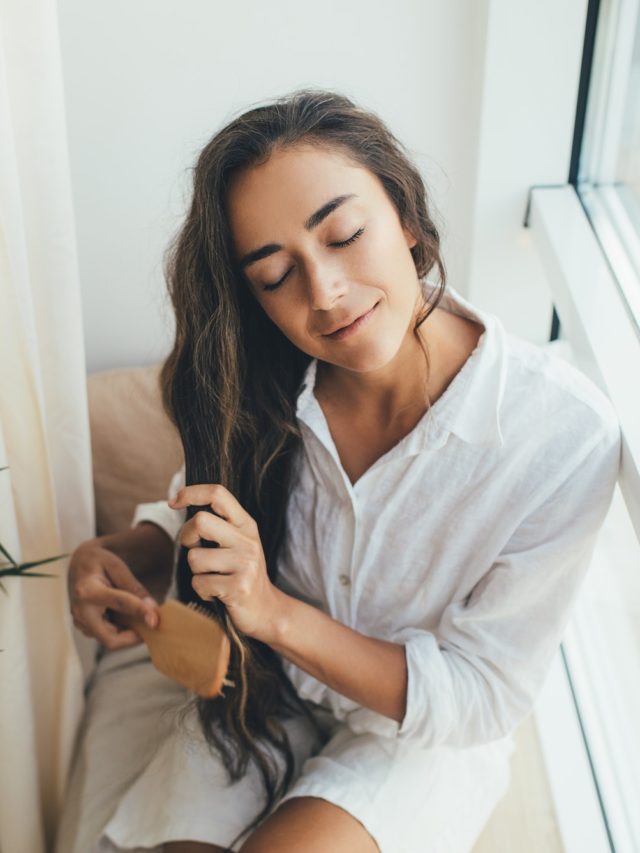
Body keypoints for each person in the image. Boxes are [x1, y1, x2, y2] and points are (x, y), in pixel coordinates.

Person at [57, 88, 621, 853]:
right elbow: (213, 502)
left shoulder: (562, 435)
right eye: (274, 275)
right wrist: (138, 551)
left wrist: (274, 612)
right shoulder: (261, 377)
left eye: (345, 234)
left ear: (407, 216)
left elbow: (479, 695)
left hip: (415, 738)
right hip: (258, 690)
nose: (324, 293)